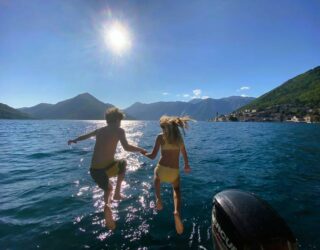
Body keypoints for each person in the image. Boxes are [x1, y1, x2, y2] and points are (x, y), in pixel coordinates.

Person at [68, 107, 147, 230]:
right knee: (123, 163)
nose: (120, 123)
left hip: (94, 170)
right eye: (120, 121)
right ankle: (117, 193)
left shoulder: (99, 130)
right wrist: (140, 149)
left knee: (107, 188)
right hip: (107, 168)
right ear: (116, 120)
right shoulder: (119, 130)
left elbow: (85, 136)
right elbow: (126, 147)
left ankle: (107, 205)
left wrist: (74, 140)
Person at [143, 115, 192, 234]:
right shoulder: (179, 138)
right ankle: (176, 211)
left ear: (164, 127)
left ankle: (158, 198)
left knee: (156, 176)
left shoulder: (160, 137)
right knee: (176, 190)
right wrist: (186, 165)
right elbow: (184, 154)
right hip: (174, 172)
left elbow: (153, 156)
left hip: (162, 169)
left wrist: (144, 153)